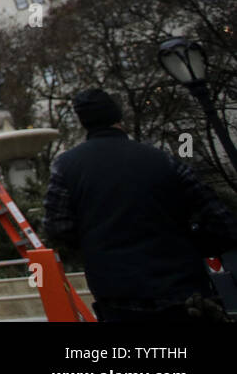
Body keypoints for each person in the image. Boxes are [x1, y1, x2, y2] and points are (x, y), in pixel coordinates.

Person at [43, 87, 237, 322]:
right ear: (118, 116)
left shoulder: (66, 167)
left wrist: (97, 247)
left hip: (118, 297)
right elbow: (221, 222)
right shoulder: (162, 159)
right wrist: (191, 243)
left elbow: (57, 228)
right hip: (184, 293)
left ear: (84, 122)